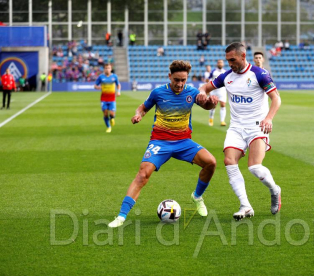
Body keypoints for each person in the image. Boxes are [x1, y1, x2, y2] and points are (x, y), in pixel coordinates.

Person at [108, 60, 218, 228]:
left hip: (184, 142)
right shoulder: (158, 93)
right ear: (169, 77)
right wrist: (139, 115)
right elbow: (143, 107)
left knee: (211, 162)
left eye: (183, 80)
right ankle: (121, 216)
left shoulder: (192, 92)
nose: (180, 84)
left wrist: (212, 102)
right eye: (176, 80)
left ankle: (197, 196)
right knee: (143, 175)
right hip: (160, 142)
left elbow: (206, 105)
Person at [198, 42, 282, 221]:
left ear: (243, 56)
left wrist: (269, 118)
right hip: (236, 127)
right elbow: (205, 87)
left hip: (257, 126)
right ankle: (245, 206)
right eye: (228, 60)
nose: (230, 64)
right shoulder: (226, 76)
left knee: (255, 167)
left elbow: (276, 99)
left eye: (232, 60)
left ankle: (274, 190)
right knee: (229, 162)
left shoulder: (259, 74)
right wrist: (203, 94)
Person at [94, 64, 121, 133]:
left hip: (112, 99)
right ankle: (108, 127)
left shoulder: (114, 76)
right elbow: (95, 85)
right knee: (105, 114)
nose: (107, 69)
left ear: (111, 69)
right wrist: (98, 87)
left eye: (108, 68)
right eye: (106, 68)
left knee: (112, 114)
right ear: (104, 69)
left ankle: (112, 118)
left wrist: (118, 92)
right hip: (104, 99)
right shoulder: (101, 77)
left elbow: (118, 84)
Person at [207, 59, 227, 127]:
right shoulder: (213, 71)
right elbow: (208, 80)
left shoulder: (225, 71)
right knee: (213, 106)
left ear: (223, 64)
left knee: (223, 105)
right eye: (219, 62)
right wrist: (209, 89)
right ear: (217, 64)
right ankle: (211, 119)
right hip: (214, 91)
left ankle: (222, 121)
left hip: (222, 91)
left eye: (221, 62)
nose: (220, 64)